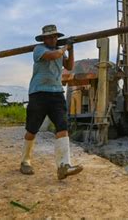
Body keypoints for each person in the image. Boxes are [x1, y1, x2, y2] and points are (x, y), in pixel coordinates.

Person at [20, 24, 84, 180]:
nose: (52, 39)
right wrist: (65, 48)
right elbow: (53, 56)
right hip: (39, 93)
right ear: (43, 39)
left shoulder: (60, 52)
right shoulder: (39, 50)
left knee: (62, 126)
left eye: (54, 37)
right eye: (49, 37)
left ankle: (64, 166)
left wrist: (71, 49)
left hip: (56, 93)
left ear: (57, 38)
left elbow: (69, 66)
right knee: (32, 129)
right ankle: (25, 161)